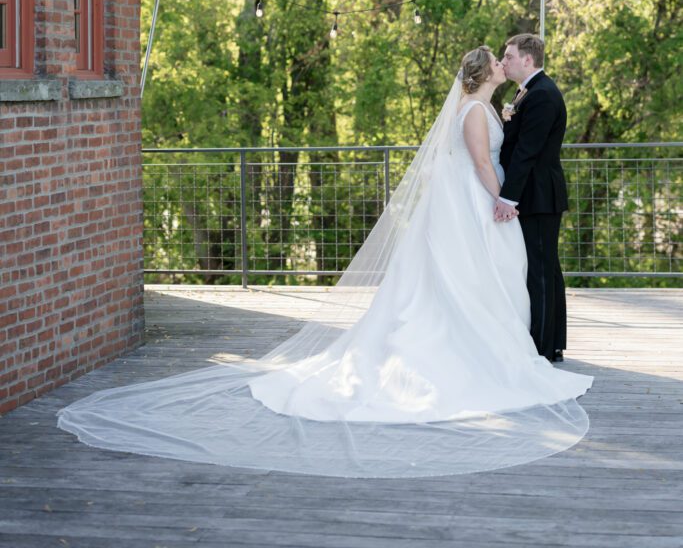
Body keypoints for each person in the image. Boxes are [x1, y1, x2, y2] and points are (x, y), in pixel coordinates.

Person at [57, 45, 593, 479]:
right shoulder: (476, 110)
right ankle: (480, 349)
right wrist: (501, 197)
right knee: (463, 281)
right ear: (485, 74)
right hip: (475, 200)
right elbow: (481, 160)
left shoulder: (476, 106)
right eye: (499, 61)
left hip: (466, 201)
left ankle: (501, 339)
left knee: (468, 280)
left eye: (508, 59)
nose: (505, 63)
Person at [496, 34, 569, 363]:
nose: (504, 61)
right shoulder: (528, 91)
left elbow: (528, 151)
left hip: (538, 195)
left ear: (528, 60)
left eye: (509, 56)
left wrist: (508, 198)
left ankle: (541, 347)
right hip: (537, 193)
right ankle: (551, 342)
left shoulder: (541, 95)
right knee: (546, 269)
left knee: (539, 271)